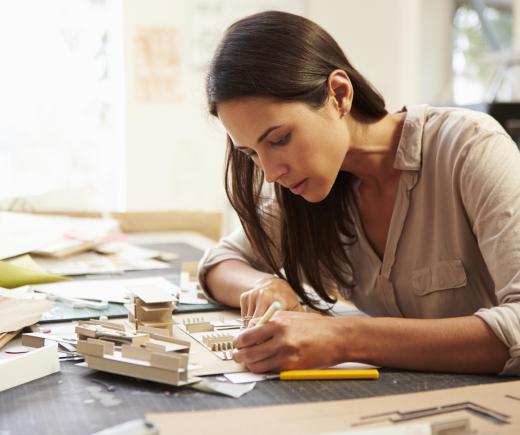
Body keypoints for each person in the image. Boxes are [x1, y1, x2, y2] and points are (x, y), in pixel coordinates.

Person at [198, 10, 520, 375]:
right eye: (252, 154)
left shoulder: (470, 148)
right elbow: (218, 263)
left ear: (339, 94)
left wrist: (342, 338)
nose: (271, 172)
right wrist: (266, 285)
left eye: (280, 139)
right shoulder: (307, 188)